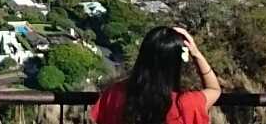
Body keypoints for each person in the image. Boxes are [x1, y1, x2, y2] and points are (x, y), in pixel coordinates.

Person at [90, 26, 222, 124]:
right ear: (175, 64)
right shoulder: (186, 104)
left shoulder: (114, 94)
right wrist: (196, 54)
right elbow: (214, 89)